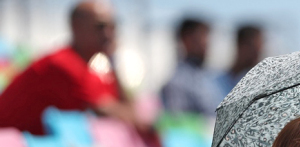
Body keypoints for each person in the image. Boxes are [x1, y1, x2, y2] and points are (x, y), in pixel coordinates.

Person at [0, 1, 145, 135]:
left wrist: (113, 61)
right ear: (76, 27)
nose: (109, 34)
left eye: (113, 26)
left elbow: (129, 111)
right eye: (100, 26)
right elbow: (121, 116)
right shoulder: (62, 64)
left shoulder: (96, 70)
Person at [161, 18, 224, 116]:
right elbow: (180, 123)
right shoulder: (177, 83)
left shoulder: (211, 78)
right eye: (202, 36)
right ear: (186, 39)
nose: (206, 43)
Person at [217, 24, 264, 97]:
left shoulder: (261, 83)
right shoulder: (217, 82)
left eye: (259, 49)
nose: (256, 55)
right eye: (252, 48)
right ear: (240, 45)